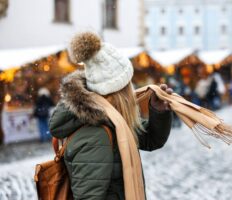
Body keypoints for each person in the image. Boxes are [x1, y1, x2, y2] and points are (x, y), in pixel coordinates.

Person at [49, 32, 173, 199]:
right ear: (118, 91)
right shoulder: (96, 135)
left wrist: (158, 112)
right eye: (128, 83)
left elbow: (150, 140)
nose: (132, 87)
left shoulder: (114, 121)